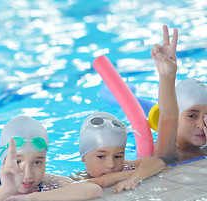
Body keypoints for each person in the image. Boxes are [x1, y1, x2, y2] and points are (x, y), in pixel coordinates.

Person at [151, 25, 207, 161]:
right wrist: (167, 77)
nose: (202, 124)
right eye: (192, 115)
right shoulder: (169, 151)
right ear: (177, 118)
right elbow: (169, 116)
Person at [70, 112, 165, 192]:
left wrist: (134, 178)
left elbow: (157, 162)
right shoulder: (78, 179)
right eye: (101, 156)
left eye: (118, 157)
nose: (111, 165)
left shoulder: (126, 166)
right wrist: (101, 181)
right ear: (83, 156)